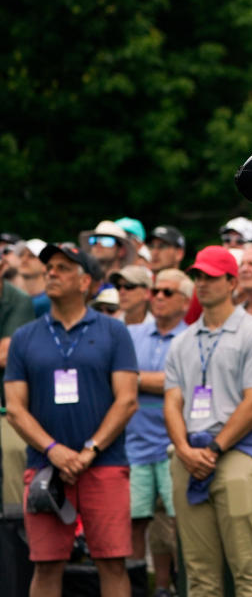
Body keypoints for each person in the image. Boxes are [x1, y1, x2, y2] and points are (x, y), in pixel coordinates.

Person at [3, 243, 139, 597]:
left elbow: (126, 401)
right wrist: (54, 450)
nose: (51, 273)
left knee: (112, 561)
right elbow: (16, 408)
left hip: (105, 464)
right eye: (50, 268)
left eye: (63, 268)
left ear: (86, 282)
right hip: (46, 467)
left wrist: (90, 450)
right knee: (46, 564)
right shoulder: (25, 336)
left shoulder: (113, 332)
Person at [163, 245, 252, 596]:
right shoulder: (182, 341)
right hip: (189, 458)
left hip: (238, 455)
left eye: (211, 277)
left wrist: (214, 448)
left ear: (232, 282)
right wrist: (184, 450)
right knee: (199, 576)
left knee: (248, 570)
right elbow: (172, 402)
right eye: (197, 276)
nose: (201, 283)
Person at [126, 269, 192, 597]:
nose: (159, 297)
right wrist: (155, 380)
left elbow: (180, 383)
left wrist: (136, 379)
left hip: (174, 443)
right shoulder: (133, 334)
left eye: (168, 292)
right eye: (155, 291)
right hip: (134, 442)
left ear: (185, 300)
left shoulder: (190, 338)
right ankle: (144, 588)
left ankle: (174, 586)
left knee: (179, 521)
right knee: (135, 521)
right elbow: (119, 378)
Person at [0, 261, 37, 514]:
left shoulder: (18, 300)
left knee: (12, 455)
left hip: (6, 406)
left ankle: (13, 544)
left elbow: (5, 354)